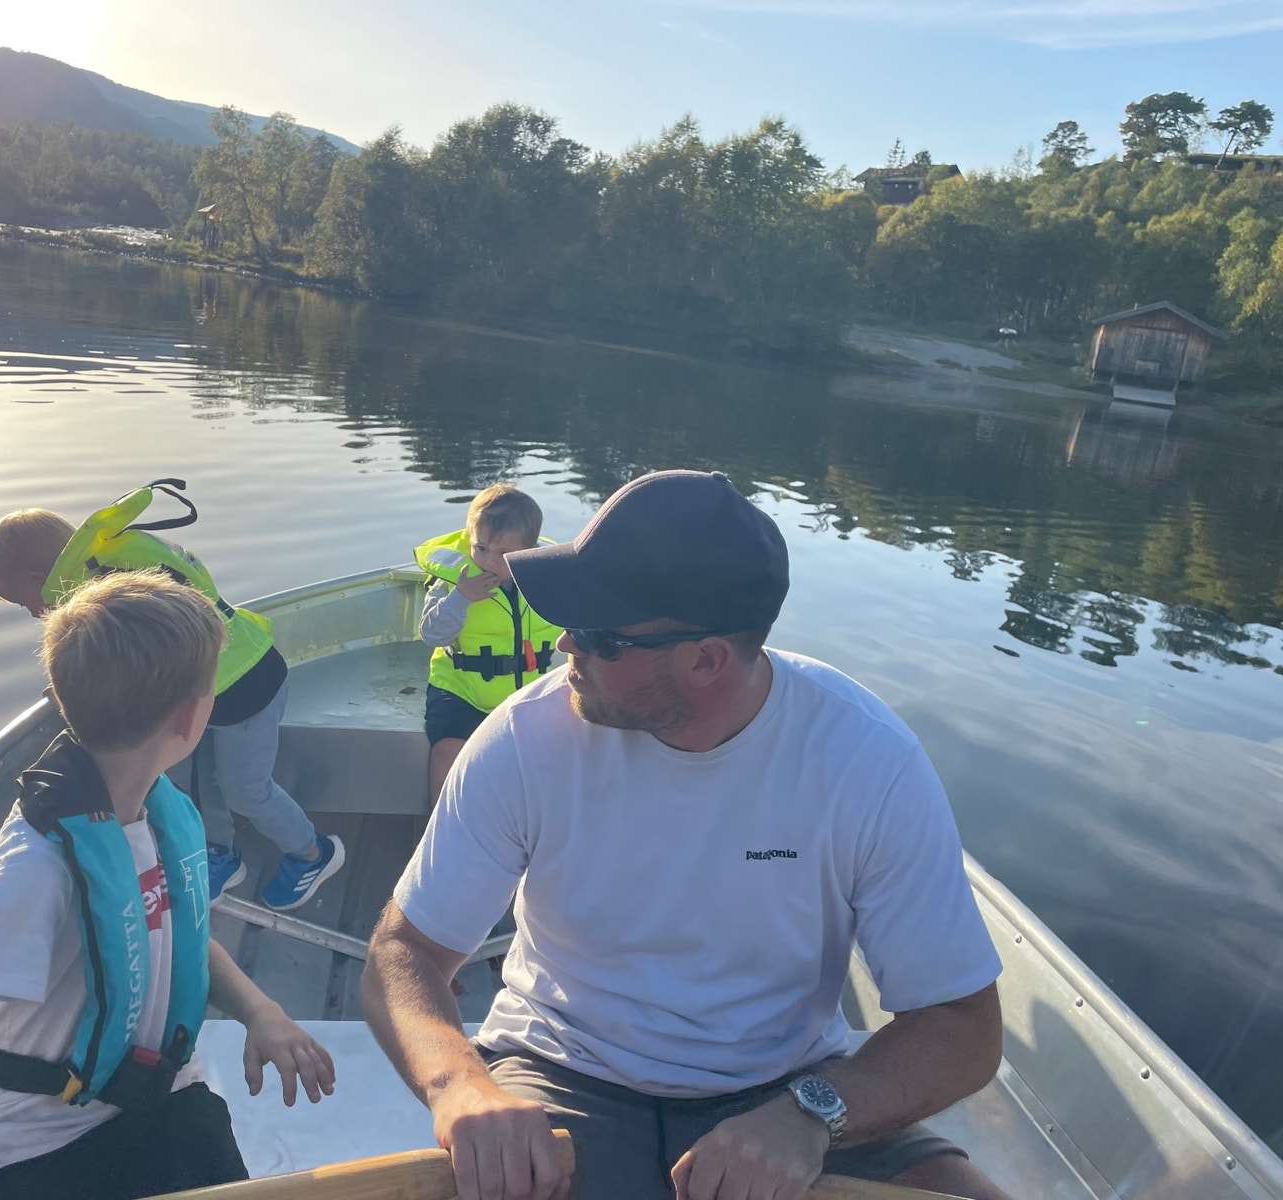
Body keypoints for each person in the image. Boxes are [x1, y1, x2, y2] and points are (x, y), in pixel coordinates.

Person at [363, 469, 1015, 1200]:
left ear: (706, 659)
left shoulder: (865, 759)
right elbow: (405, 952)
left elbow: (963, 1027)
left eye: (599, 635)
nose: (563, 644)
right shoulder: (523, 739)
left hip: (782, 1088)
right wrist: (462, 1089)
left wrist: (810, 1116)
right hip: (562, 1073)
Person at [0, 571, 336, 1200]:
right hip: (40, 1145)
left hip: (162, 1097)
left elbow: (175, 929)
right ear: (193, 718)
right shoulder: (36, 870)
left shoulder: (153, 810)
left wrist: (260, 1011)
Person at [0, 480, 345, 912]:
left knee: (245, 790)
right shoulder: (101, 565)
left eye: (23, 603)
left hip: (247, 683)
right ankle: (222, 855)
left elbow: (135, 660)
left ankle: (312, 852)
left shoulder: (105, 586)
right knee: (202, 780)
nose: (31, 614)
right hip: (212, 686)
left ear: (38, 580)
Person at [414, 483, 563, 803]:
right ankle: (440, 837)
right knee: (446, 753)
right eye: (481, 548)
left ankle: (528, 838)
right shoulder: (453, 581)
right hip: (460, 691)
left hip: (526, 693)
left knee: (552, 756)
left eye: (504, 554)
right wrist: (460, 599)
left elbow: (576, 626)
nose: (488, 561)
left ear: (528, 549)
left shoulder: (546, 579)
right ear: (470, 539)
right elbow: (431, 635)